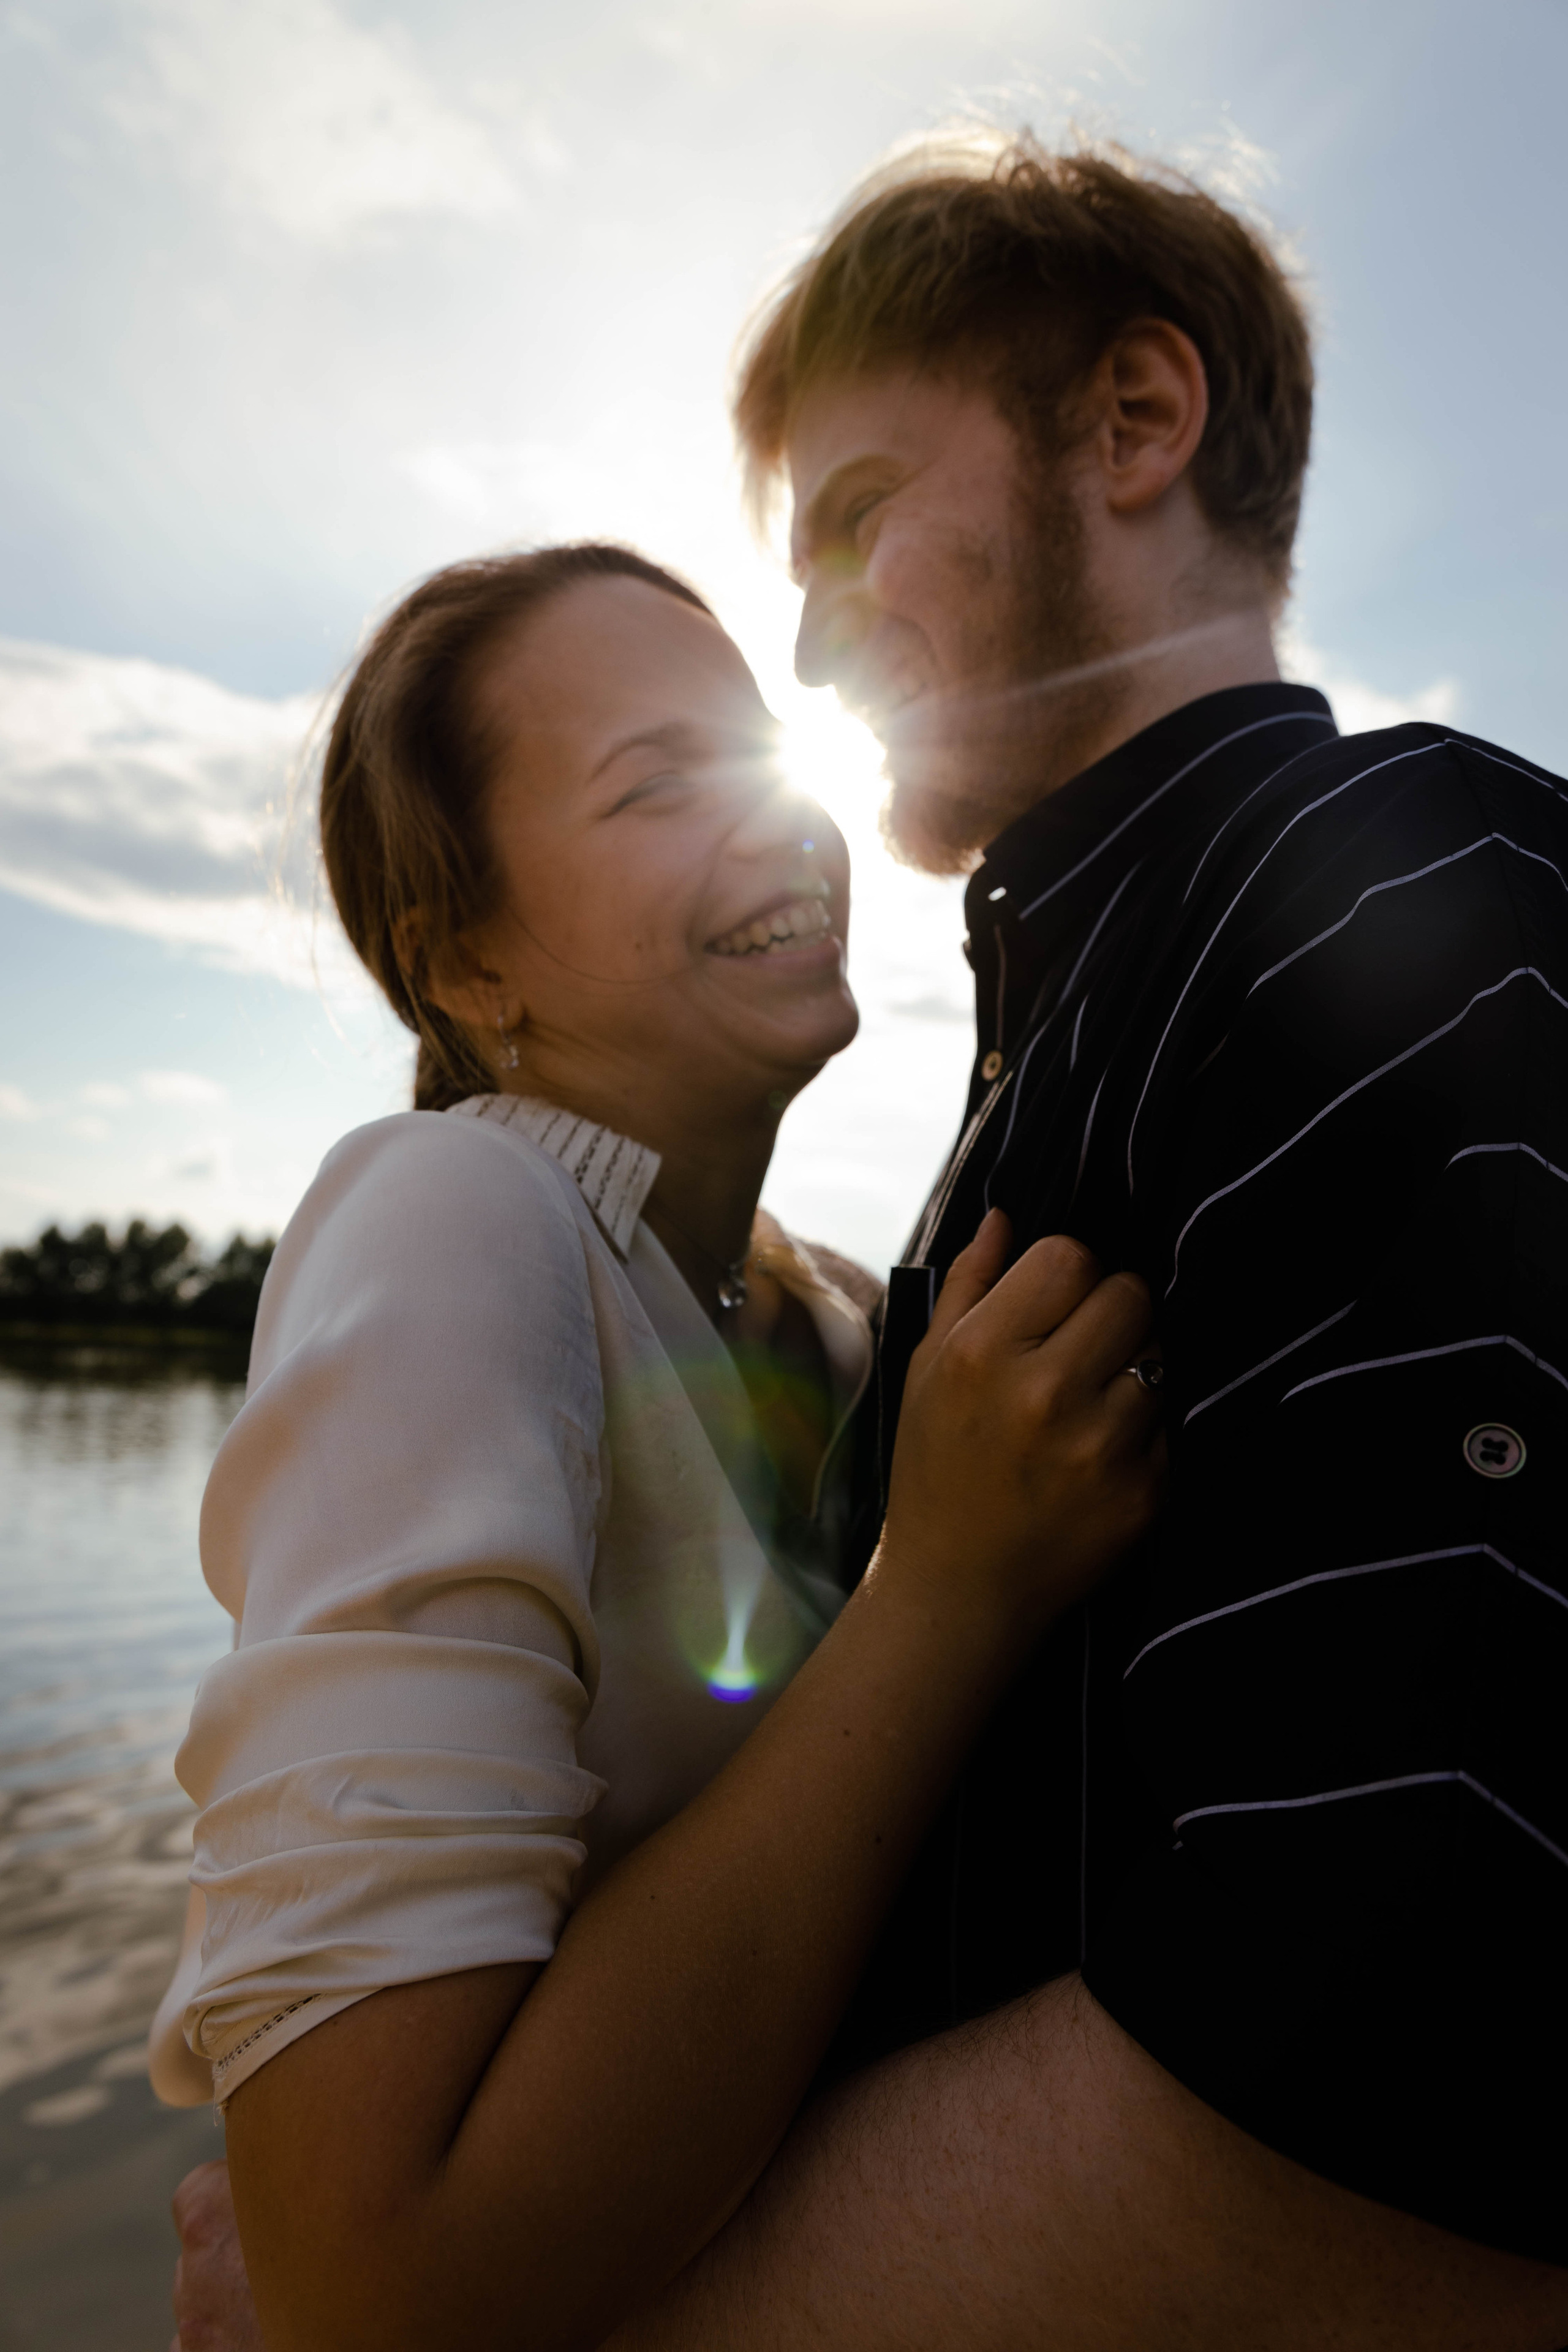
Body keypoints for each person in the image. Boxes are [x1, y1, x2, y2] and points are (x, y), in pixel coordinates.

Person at [171, 135, 1568, 2350]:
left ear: (1133, 423)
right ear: (472, 970)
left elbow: (1438, 2023)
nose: (812, 649)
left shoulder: (1401, 902)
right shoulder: (964, 1150)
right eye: (660, 777)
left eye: (846, 519)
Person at [151, 539, 1164, 2351]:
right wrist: (938, 1595)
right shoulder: (450, 1212)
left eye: (766, 750)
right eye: (653, 784)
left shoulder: (850, 1327)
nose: (784, 820)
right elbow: (368, 2289)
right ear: (461, 961)